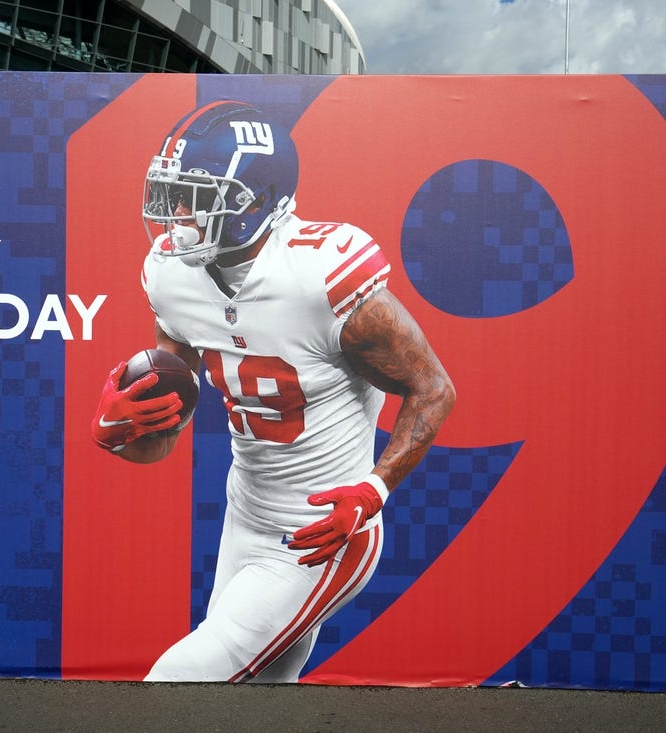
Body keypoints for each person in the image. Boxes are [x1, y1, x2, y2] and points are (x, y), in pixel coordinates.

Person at [90, 100, 455, 683]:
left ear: (251, 200)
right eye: (173, 193)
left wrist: (373, 489)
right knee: (251, 699)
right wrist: (117, 430)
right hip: (246, 517)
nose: (177, 213)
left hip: (323, 535)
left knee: (177, 684)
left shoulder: (319, 275)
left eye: (196, 196)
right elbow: (164, 434)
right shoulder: (171, 273)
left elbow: (433, 388)